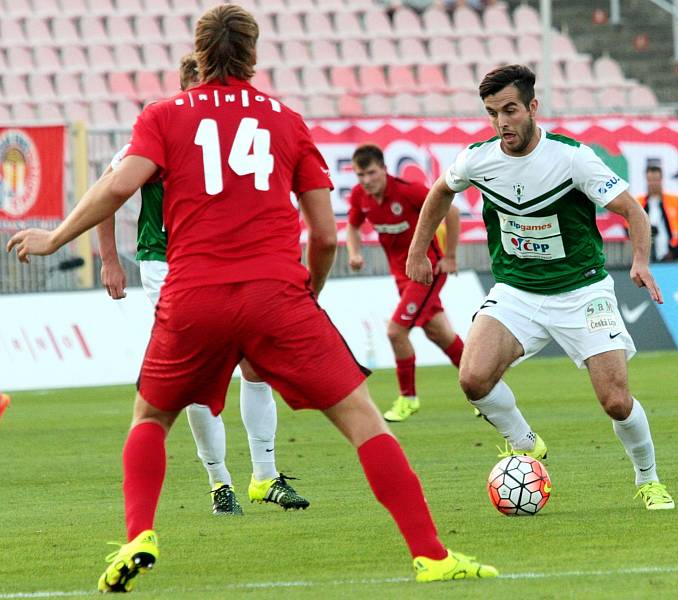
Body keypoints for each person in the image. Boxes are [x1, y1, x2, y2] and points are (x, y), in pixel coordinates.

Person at [7, 5, 496, 592]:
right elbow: (321, 234)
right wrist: (306, 294)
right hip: (275, 295)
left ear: (199, 51)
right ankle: (431, 554)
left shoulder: (164, 116)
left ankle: (139, 534)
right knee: (364, 419)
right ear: (253, 54)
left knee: (151, 417)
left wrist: (56, 235)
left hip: (192, 294)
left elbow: (118, 186)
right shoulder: (287, 122)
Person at [406, 64, 675, 512]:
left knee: (615, 400)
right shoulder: (478, 158)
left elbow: (633, 211)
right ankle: (525, 442)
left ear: (532, 107)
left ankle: (649, 479)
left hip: (582, 290)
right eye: (492, 113)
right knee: (472, 378)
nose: (501, 122)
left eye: (510, 110)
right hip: (517, 291)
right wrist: (418, 252)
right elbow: (440, 191)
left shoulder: (573, 159)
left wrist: (641, 261)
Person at [96, 54, 308, 517]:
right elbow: (108, 191)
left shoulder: (234, 135)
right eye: (201, 87)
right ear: (186, 88)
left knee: (257, 364)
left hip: (230, 263)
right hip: (168, 266)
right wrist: (110, 261)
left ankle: (265, 475)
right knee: (200, 376)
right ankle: (219, 482)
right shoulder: (160, 129)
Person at [346, 144, 464, 422]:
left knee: (395, 331)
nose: (366, 180)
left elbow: (453, 212)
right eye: (360, 175)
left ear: (384, 170)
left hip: (428, 270)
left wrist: (450, 257)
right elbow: (352, 227)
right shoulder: (359, 197)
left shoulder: (407, 192)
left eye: (371, 173)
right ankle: (485, 386)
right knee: (439, 333)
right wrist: (354, 253)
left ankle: (408, 398)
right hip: (402, 275)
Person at [637, 165, 678, 262]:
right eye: (650, 180)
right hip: (647, 258)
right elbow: (629, 228)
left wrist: (676, 251)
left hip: (673, 256)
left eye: (656, 180)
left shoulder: (675, 201)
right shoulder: (639, 204)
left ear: (661, 180)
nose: (653, 183)